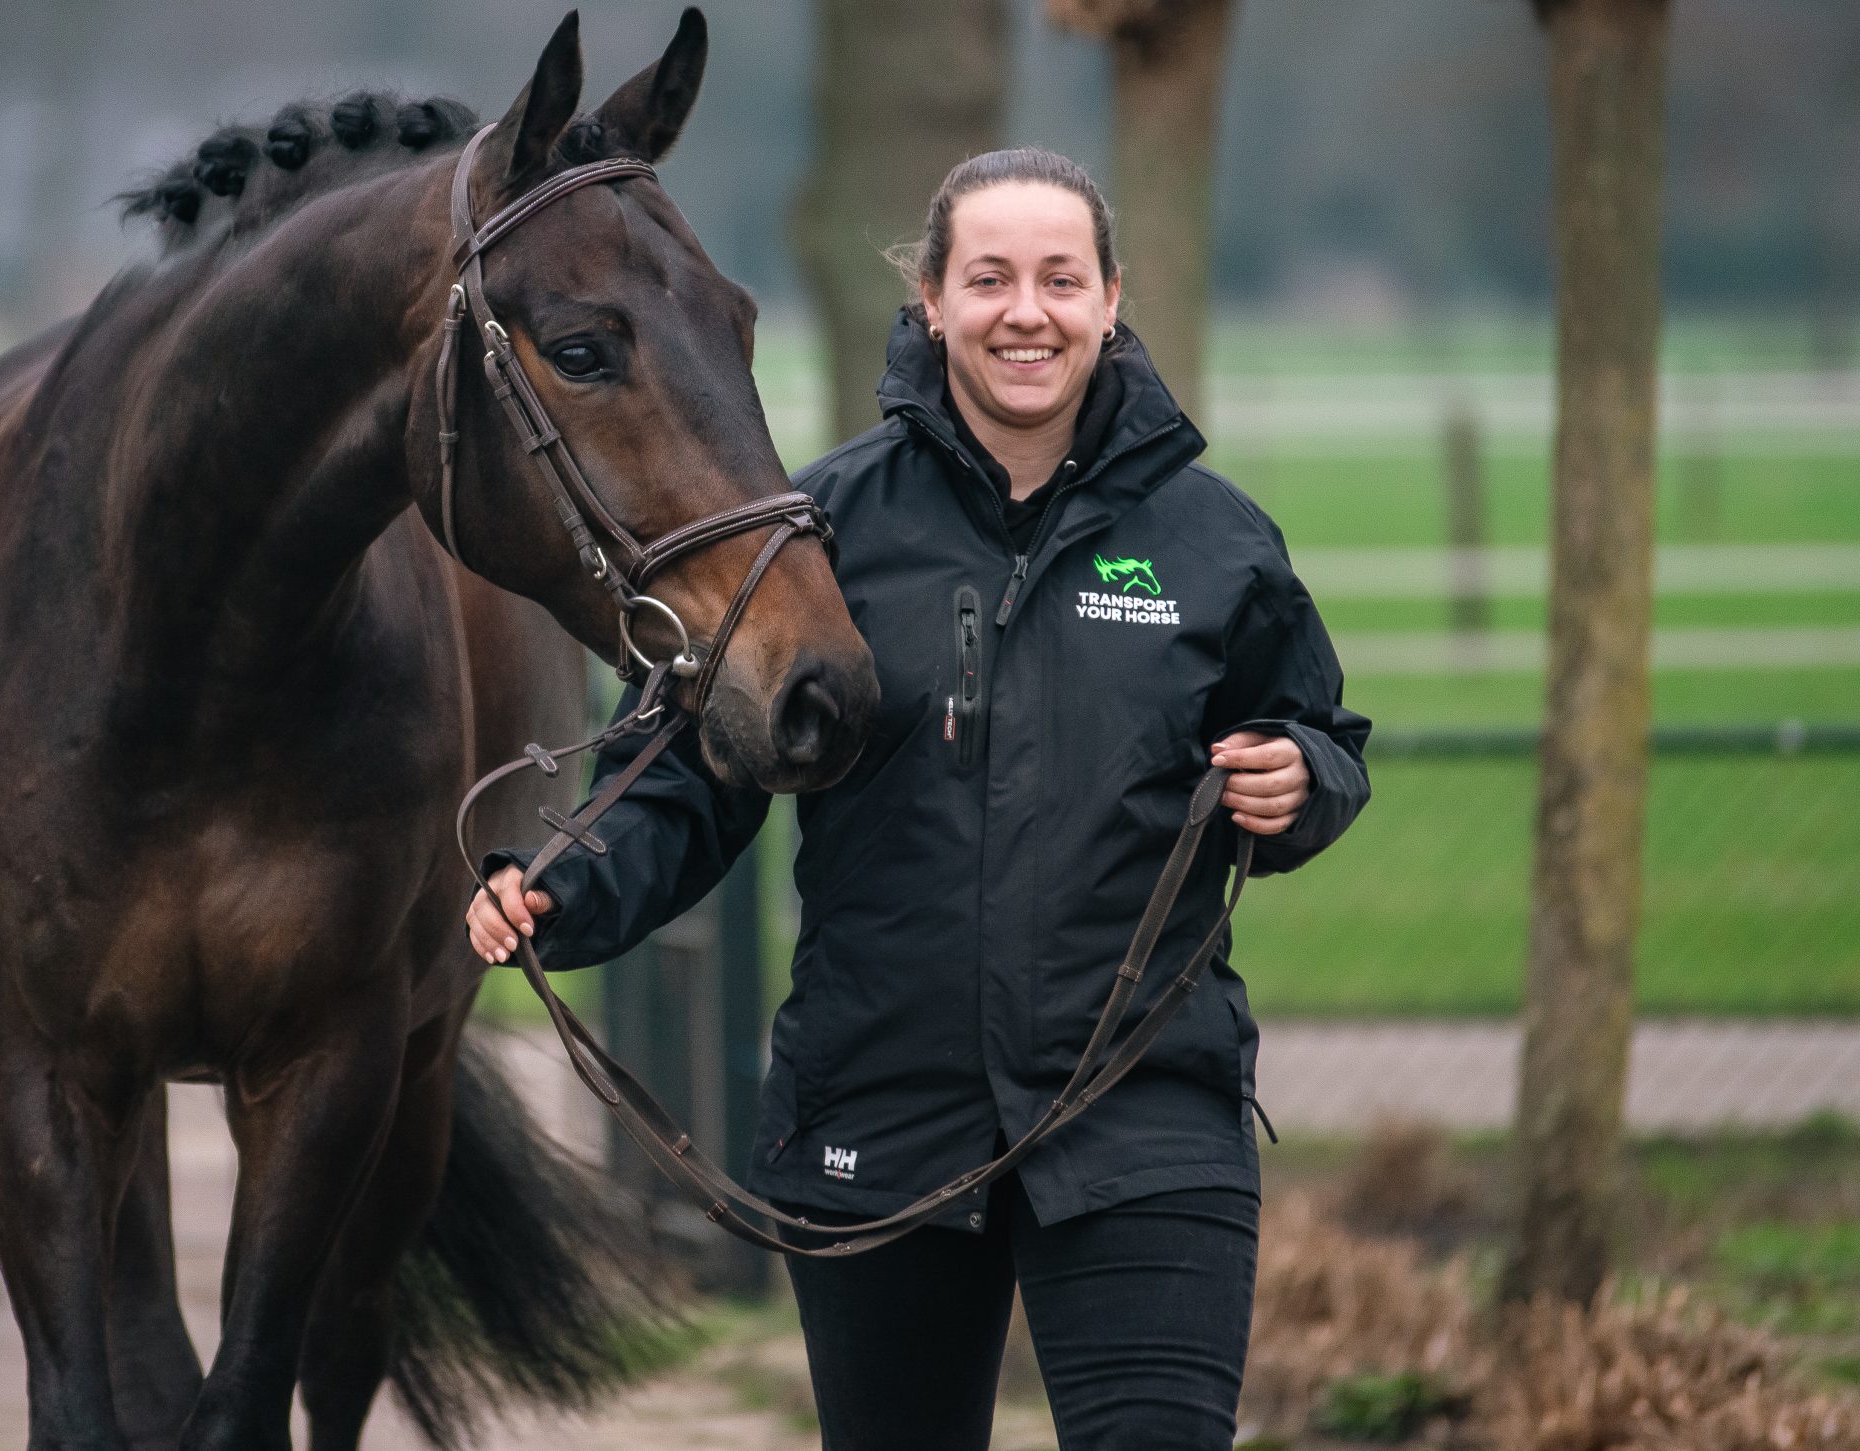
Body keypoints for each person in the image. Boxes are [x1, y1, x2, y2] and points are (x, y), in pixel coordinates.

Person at [467, 147, 1371, 1450]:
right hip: (878, 1121)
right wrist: (560, 889)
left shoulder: (1217, 543)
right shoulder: (811, 533)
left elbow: (1320, 737)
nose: (1027, 311)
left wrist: (1302, 781)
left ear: (1110, 300)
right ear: (933, 302)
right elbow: (676, 790)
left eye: (1061, 279)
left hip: (1145, 1119)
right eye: (989, 277)